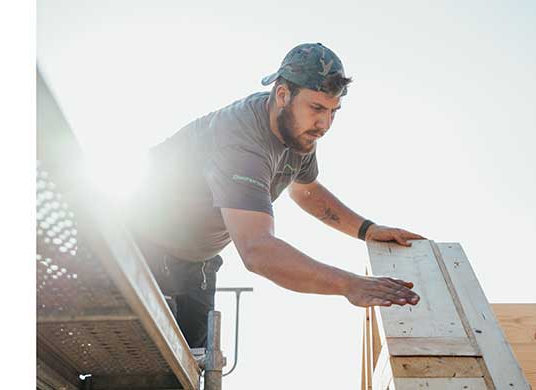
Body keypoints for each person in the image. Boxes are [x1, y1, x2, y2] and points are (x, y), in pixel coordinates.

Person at [126, 42, 424, 349]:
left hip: (196, 261)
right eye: (317, 108)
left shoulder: (300, 132)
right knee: (143, 368)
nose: (325, 124)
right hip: (138, 247)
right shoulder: (240, 141)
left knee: (186, 372)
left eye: (334, 111)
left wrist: (367, 230)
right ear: (282, 95)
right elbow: (257, 251)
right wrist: (349, 285)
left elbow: (306, 190)